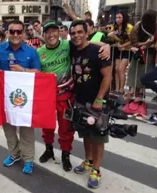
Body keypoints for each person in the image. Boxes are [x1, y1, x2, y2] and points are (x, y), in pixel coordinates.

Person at [37, 20, 111, 172]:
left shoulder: (67, 45)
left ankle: (65, 155)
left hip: (66, 95)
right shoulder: (39, 52)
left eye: (54, 31)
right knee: (47, 125)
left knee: (66, 128)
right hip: (48, 96)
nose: (51, 35)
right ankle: (49, 149)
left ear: (60, 32)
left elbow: (87, 43)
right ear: (44, 34)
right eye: (48, 32)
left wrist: (106, 46)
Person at [0, 20, 41, 174]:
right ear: (7, 32)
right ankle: (14, 153)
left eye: (19, 31)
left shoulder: (31, 51)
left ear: (23, 32)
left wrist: (22, 70)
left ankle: (28, 158)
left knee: (26, 130)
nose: (16, 35)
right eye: (12, 31)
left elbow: (38, 73)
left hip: (25, 100)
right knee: (9, 128)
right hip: (6, 99)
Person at [69, 20, 112, 189]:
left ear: (87, 33)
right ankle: (88, 161)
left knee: (98, 137)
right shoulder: (73, 49)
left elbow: (108, 76)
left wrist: (100, 98)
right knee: (85, 134)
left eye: (80, 32)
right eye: (73, 33)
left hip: (97, 102)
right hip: (80, 100)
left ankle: (96, 170)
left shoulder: (98, 51)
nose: (76, 35)